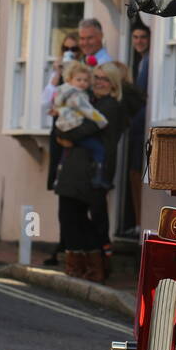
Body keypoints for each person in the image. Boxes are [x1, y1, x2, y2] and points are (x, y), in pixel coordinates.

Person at [51, 61, 128, 281]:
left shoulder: (110, 106)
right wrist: (64, 129)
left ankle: (94, 267)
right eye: (96, 77)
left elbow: (77, 131)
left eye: (105, 79)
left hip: (92, 171)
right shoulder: (89, 101)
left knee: (80, 218)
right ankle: (80, 265)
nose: (98, 82)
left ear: (114, 84)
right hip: (77, 169)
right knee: (70, 216)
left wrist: (65, 132)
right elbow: (61, 126)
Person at [52, 61, 109, 187]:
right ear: (70, 80)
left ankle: (58, 178)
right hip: (74, 127)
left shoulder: (63, 92)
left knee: (65, 153)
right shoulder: (77, 95)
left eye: (85, 80)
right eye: (79, 80)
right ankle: (98, 176)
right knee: (98, 149)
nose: (82, 83)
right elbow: (88, 111)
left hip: (64, 127)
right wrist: (102, 121)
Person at [126, 24, 149, 232]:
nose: (139, 41)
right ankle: (136, 222)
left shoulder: (148, 61)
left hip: (142, 123)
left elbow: (141, 94)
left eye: (143, 37)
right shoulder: (141, 61)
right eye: (135, 37)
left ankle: (139, 223)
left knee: (136, 172)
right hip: (137, 123)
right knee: (134, 172)